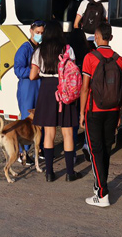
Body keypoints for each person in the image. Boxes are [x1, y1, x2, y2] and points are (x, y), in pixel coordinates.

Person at [30, 20, 83, 182]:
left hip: (46, 91)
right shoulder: (68, 49)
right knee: (67, 133)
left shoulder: (39, 51)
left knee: (49, 133)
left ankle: (49, 173)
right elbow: (72, 72)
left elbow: (32, 75)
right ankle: (69, 173)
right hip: (64, 89)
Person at [80, 23, 122, 207]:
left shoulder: (90, 57)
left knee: (95, 150)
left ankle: (102, 193)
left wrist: (82, 113)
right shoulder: (119, 59)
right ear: (111, 38)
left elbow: (85, 88)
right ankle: (101, 185)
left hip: (94, 110)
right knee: (106, 150)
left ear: (97, 37)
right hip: (113, 110)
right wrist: (121, 113)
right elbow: (121, 88)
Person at [13, 20, 45, 165]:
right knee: (27, 120)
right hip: (27, 87)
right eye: (37, 32)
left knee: (40, 118)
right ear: (31, 31)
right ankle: (22, 152)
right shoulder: (24, 49)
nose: (40, 35)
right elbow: (17, 69)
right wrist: (33, 71)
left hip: (39, 86)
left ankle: (38, 149)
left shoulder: (42, 48)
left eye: (42, 33)